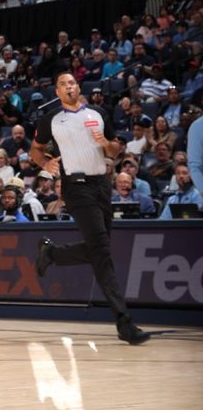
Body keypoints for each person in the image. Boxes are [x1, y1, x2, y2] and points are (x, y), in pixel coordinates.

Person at [30, 70, 149, 345]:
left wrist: (106, 143)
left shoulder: (97, 113)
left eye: (72, 82)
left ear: (77, 86)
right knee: (102, 251)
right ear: (57, 92)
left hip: (101, 185)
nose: (68, 87)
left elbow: (115, 152)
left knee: (100, 246)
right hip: (76, 187)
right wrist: (44, 164)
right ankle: (124, 321)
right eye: (63, 84)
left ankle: (52, 254)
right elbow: (35, 149)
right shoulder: (51, 120)